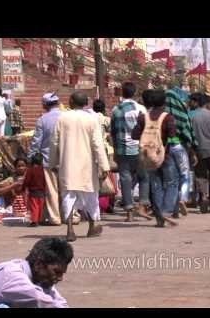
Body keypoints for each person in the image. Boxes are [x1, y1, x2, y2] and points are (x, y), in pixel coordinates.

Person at [49, 91, 110, 242]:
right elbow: (98, 144)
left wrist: (52, 162)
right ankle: (91, 225)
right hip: (87, 166)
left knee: (68, 197)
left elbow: (54, 142)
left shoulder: (62, 118)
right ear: (85, 103)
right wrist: (104, 165)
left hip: (67, 165)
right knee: (90, 196)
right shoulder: (91, 120)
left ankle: (70, 229)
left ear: (71, 101)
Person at [0, 238, 72, 308]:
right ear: (39, 264)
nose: (60, 278)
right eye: (57, 272)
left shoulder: (40, 279)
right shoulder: (13, 276)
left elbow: (59, 301)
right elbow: (42, 301)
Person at [132, 89, 177, 227]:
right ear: (164, 102)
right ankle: (166, 210)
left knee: (156, 185)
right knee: (171, 183)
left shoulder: (143, 117)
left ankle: (159, 216)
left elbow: (134, 135)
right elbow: (172, 135)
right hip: (164, 155)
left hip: (148, 156)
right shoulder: (167, 117)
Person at [110, 82, 150, 222]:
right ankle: (143, 205)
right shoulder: (141, 109)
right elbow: (147, 130)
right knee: (144, 178)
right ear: (134, 93)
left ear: (122, 92)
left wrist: (115, 150)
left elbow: (113, 133)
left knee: (125, 180)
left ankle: (129, 212)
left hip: (122, 149)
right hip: (139, 148)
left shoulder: (115, 110)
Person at [28, 93, 62, 226]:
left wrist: (30, 156)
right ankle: (72, 216)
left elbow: (36, 141)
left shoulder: (43, 119)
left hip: (49, 159)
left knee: (52, 190)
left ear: (45, 104)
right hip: (66, 159)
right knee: (67, 189)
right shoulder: (66, 116)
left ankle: (55, 218)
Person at [164, 88, 198, 217]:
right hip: (179, 146)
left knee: (171, 180)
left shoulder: (161, 114)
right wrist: (192, 151)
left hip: (166, 148)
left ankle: (172, 208)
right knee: (184, 176)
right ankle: (182, 199)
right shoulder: (183, 113)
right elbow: (188, 132)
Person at [22, 153, 46, 227]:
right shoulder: (43, 170)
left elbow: (27, 180)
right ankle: (39, 220)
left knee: (34, 207)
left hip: (33, 192)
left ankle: (34, 222)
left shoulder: (30, 170)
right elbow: (45, 181)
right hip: (42, 191)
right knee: (40, 206)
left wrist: (23, 188)